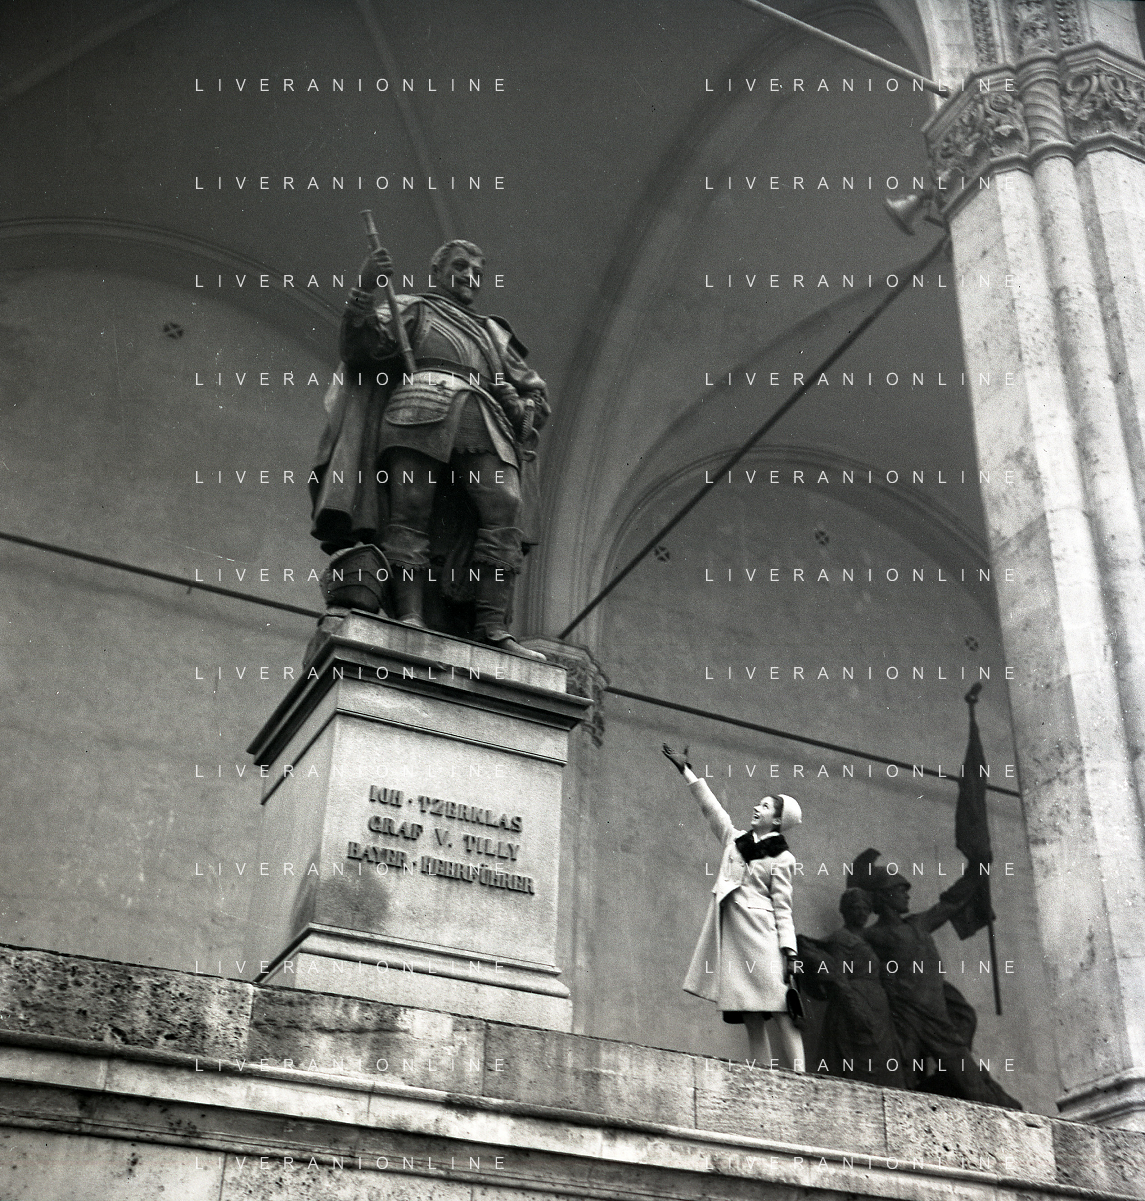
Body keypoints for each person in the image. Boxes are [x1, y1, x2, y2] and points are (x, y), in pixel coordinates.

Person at [309, 238, 550, 659]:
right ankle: (410, 616)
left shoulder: (493, 333)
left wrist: (523, 405)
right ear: (437, 270)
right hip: (418, 406)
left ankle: (492, 626)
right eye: (460, 266)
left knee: (505, 505)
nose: (470, 276)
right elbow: (360, 347)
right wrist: (365, 288)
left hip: (483, 415)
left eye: (478, 271)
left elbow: (536, 397)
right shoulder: (412, 307)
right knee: (410, 510)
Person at [663, 743, 805, 1071]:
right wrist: (687, 771)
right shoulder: (735, 840)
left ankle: (801, 1078)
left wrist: (790, 953)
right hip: (736, 939)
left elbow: (783, 907)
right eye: (759, 803)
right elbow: (712, 810)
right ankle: (762, 1076)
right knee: (749, 1012)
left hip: (765, 939)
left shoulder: (784, 858)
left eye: (765, 806)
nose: (757, 807)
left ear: (777, 819)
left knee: (782, 1009)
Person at [855, 851, 1022, 1108]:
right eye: (901, 890)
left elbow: (951, 903)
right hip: (905, 1017)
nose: (907, 895)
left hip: (936, 1016)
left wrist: (976, 870)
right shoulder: (871, 936)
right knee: (899, 1080)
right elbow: (845, 950)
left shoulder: (918, 924)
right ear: (884, 896)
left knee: (970, 1080)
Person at [799, 887, 905, 1087]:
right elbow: (839, 977)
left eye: (866, 908)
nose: (862, 912)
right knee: (861, 1069)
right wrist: (856, 1008)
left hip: (879, 1013)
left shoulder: (867, 940)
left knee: (885, 1071)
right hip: (855, 1008)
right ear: (845, 910)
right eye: (856, 907)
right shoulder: (841, 939)